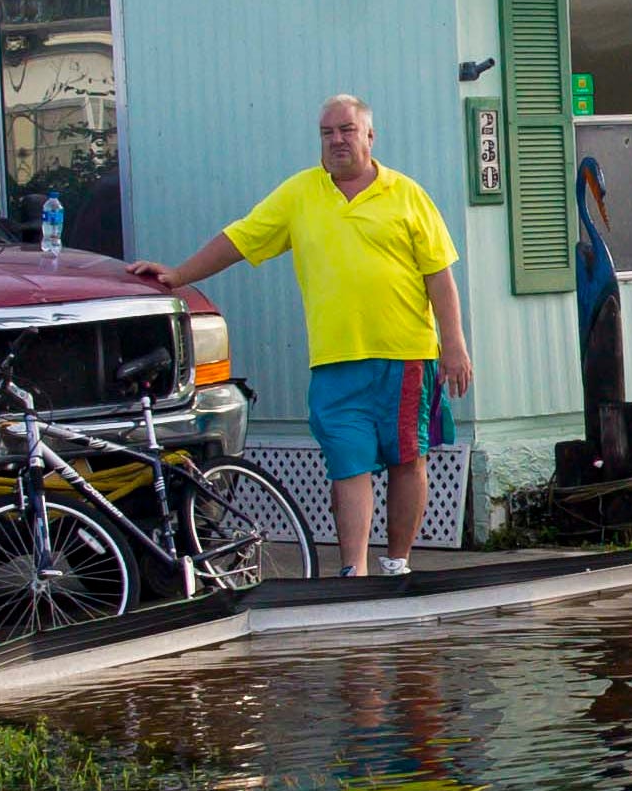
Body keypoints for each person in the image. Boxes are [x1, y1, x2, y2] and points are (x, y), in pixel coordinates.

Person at [151, 95, 472, 578]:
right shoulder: (299, 194)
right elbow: (240, 239)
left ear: (369, 136)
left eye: (346, 130)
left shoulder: (408, 195)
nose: (336, 140)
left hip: (406, 355)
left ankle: (398, 563)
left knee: (408, 459)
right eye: (327, 133)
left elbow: (439, 277)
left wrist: (455, 345)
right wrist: (178, 275)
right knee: (347, 464)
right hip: (335, 361)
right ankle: (353, 572)